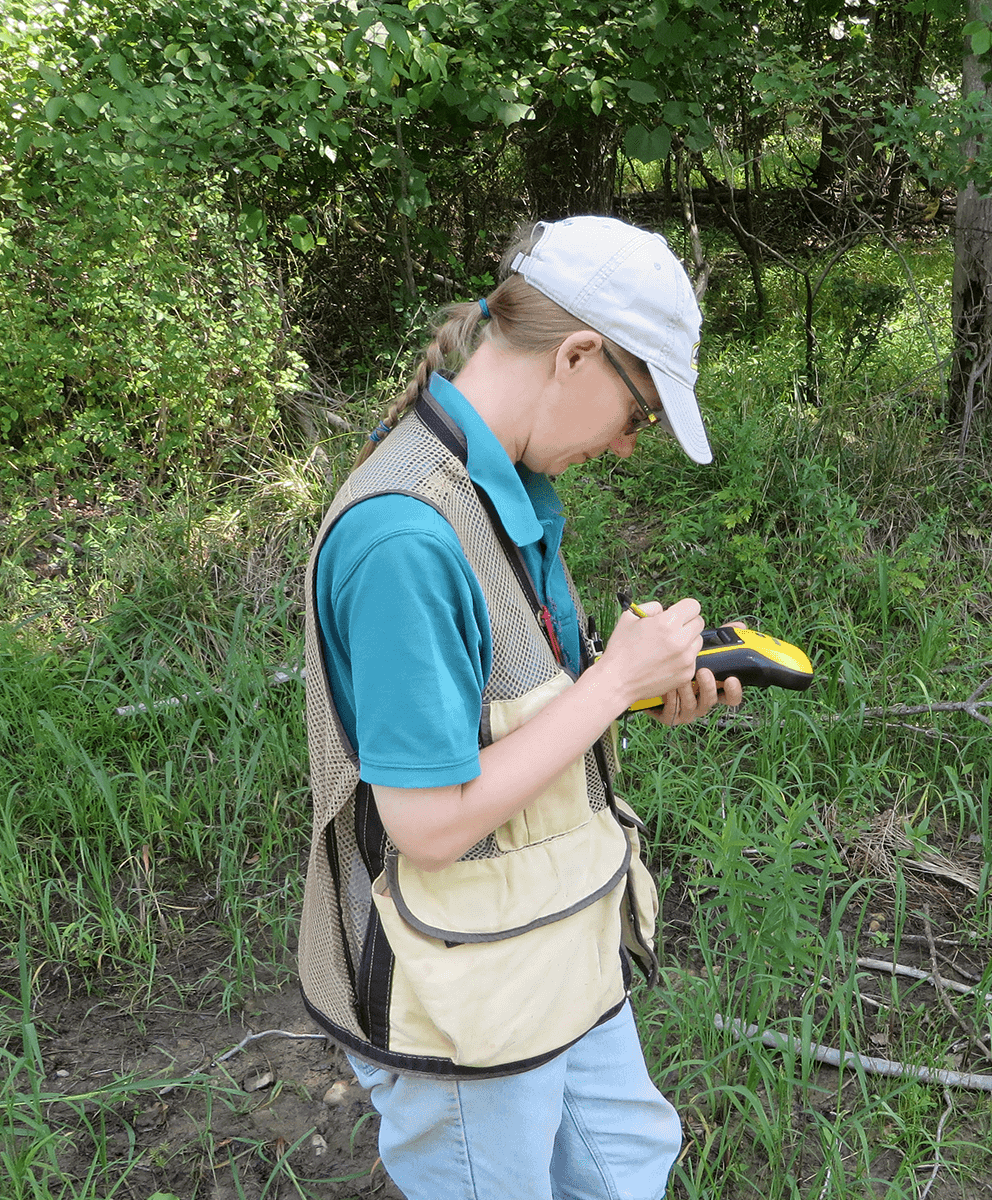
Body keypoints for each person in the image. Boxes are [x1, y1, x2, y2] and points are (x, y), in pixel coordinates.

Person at [294, 216, 737, 1200]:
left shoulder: (509, 493)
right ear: (577, 353)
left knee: (624, 1170)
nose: (628, 447)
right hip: (467, 1004)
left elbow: (519, 717)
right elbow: (429, 820)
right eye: (640, 413)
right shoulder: (404, 539)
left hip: (559, 947)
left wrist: (635, 693)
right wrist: (610, 686)